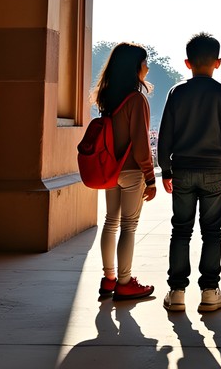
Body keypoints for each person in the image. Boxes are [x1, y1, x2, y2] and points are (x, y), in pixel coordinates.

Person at [157, 33, 221, 313]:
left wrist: (166, 170)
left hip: (182, 170)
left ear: (187, 62)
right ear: (218, 63)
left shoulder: (176, 92)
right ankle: (209, 291)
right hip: (213, 173)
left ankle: (177, 291)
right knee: (212, 233)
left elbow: (165, 135)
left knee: (180, 231)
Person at [93, 42, 157, 301]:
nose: (147, 68)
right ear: (135, 67)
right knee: (129, 226)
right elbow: (141, 143)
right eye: (144, 63)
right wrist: (150, 177)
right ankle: (125, 281)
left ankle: (109, 278)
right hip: (131, 170)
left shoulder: (106, 96)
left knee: (110, 222)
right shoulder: (136, 99)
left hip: (110, 169)